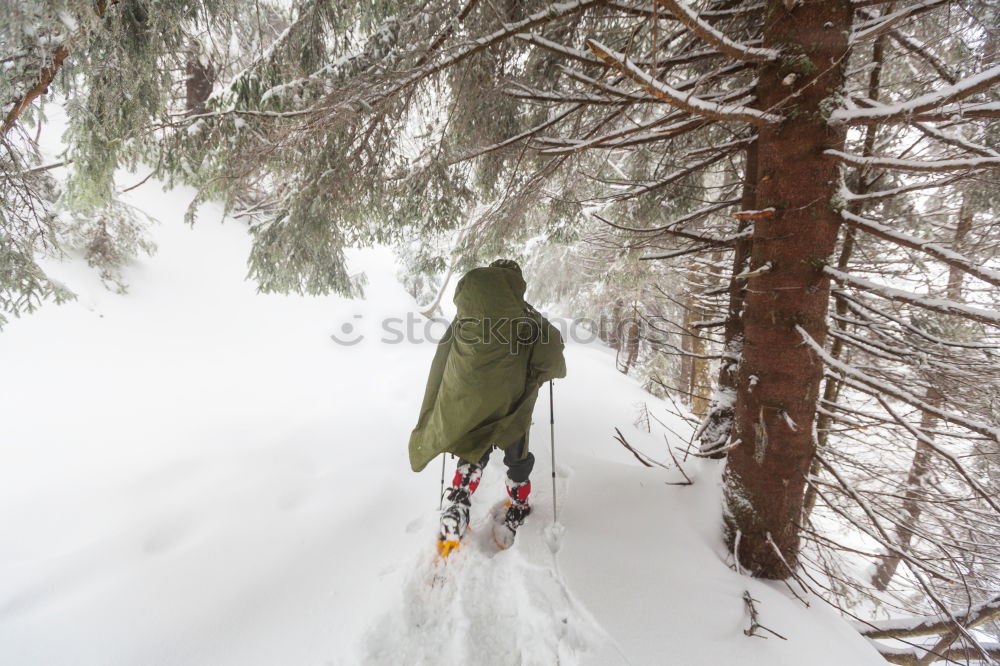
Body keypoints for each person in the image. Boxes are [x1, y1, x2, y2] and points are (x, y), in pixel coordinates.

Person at [408, 259, 566, 556]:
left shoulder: (463, 319)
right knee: (515, 451)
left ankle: (458, 500)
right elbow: (552, 357)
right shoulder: (527, 320)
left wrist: (443, 396)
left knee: (473, 444)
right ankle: (518, 506)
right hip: (511, 402)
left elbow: (443, 359)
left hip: (466, 400)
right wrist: (538, 374)